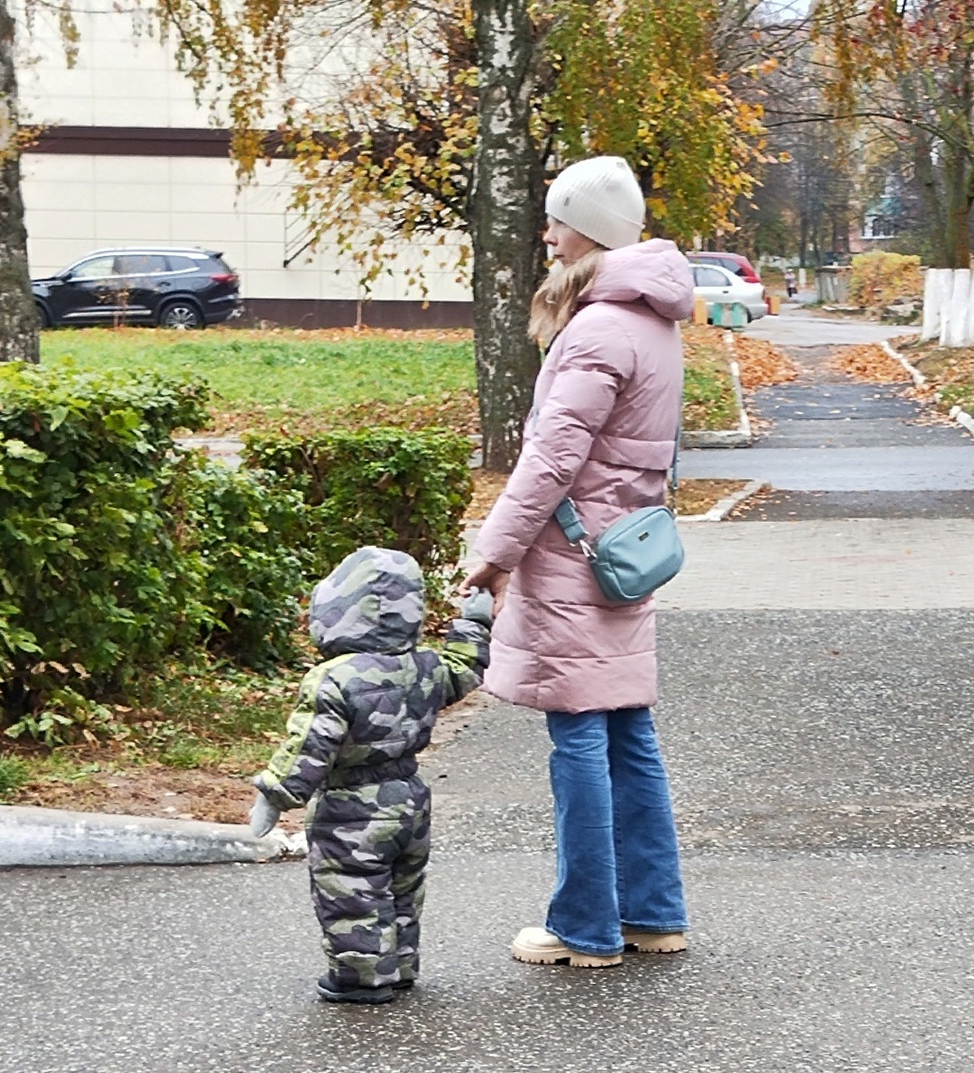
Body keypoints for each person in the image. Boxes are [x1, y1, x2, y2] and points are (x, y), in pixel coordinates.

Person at [464, 155, 692, 968]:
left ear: (589, 230)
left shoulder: (597, 325)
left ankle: (585, 928)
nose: (547, 234)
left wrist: (494, 552)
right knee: (628, 727)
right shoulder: (651, 319)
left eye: (558, 219)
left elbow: (551, 457)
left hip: (572, 555)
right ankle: (654, 913)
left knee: (580, 739)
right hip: (623, 551)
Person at [247, 546, 493, 1002]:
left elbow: (310, 745)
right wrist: (473, 623)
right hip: (411, 800)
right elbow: (465, 669)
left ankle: (362, 978)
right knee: (403, 889)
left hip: (351, 806)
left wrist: (276, 793)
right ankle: (399, 965)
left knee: (352, 893)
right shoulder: (425, 666)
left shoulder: (334, 677)